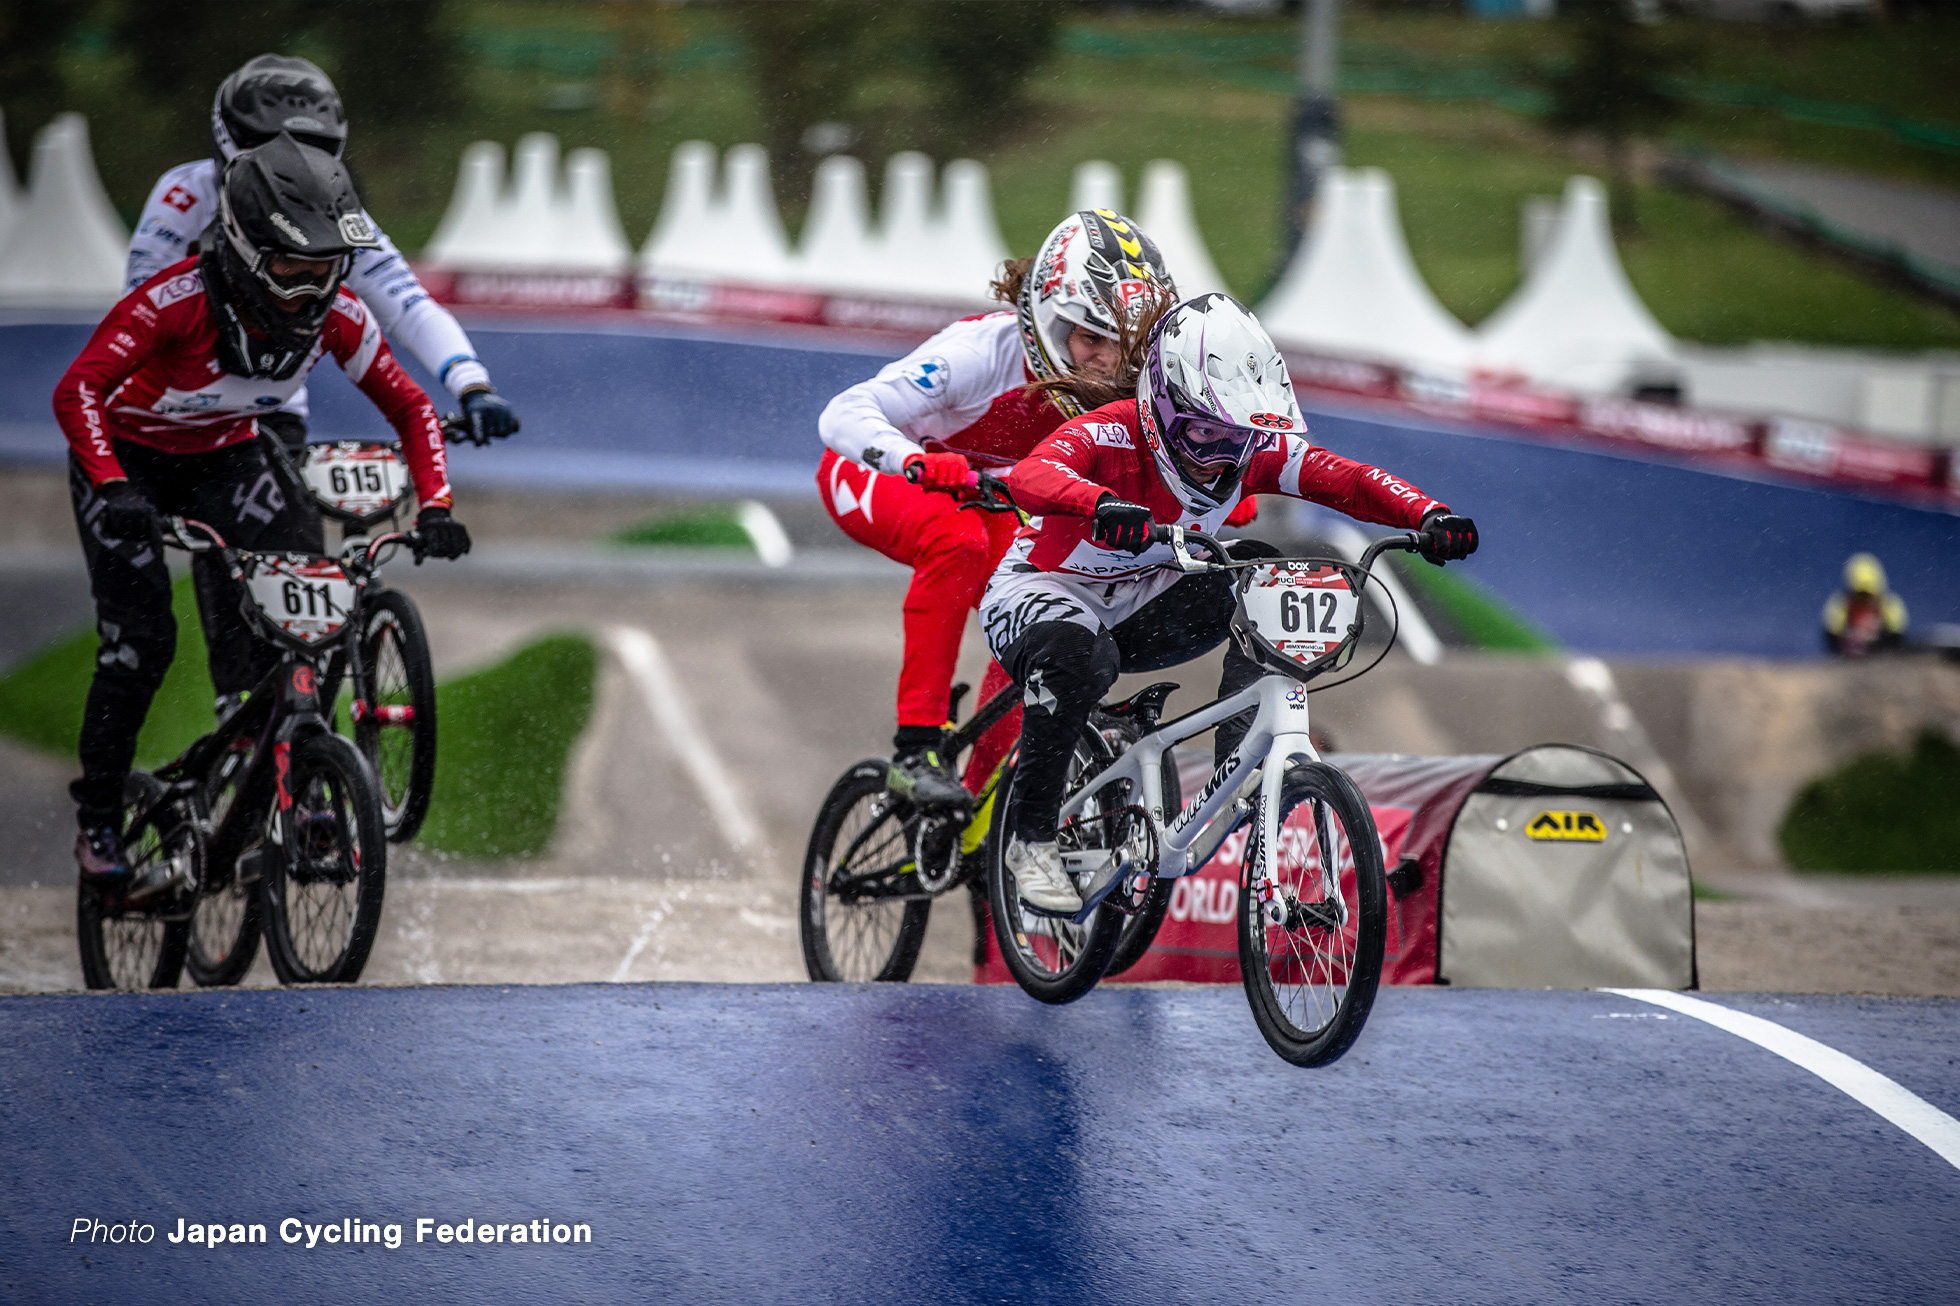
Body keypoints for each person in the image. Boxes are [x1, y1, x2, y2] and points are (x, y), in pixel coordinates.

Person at [54, 133, 473, 883]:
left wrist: (436, 505)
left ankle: (287, 776)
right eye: (294, 268)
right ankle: (99, 821)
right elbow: (77, 389)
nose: (315, 289)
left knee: (304, 597)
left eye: (329, 269)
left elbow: (410, 405)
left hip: (228, 455)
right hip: (128, 463)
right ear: (246, 251)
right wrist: (113, 486)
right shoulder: (172, 303)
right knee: (140, 643)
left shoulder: (338, 314)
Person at [979, 294, 1479, 914]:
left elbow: (1345, 479)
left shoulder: (1249, 452)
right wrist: (1096, 504)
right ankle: (1029, 842)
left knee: (1266, 565)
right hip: (1041, 589)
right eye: (1202, 434)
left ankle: (1238, 762)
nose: (1219, 455)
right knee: (1077, 654)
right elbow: (1032, 475)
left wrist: (1428, 513)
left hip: (1147, 596)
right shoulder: (1111, 430)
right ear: (1161, 409)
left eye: (1236, 439)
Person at [817, 208, 1186, 814]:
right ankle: (918, 749)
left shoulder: (1135, 387)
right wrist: (915, 462)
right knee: (956, 541)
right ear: (1045, 319)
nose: (1104, 362)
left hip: (978, 493)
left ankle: (995, 799)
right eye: (1090, 338)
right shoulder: (980, 353)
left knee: (1045, 607)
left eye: (1124, 346)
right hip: (872, 472)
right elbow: (845, 413)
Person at [126, 55, 518, 450]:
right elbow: (136, 310)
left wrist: (472, 385)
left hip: (271, 407)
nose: (290, 161)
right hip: (169, 409)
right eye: (269, 146)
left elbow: (405, 301)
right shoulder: (185, 193)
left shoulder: (335, 208)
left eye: (311, 148)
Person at [1823, 552, 1907, 658]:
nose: (1864, 599)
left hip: (1881, 661)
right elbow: (1831, 638)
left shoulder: (1888, 605)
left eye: (1868, 594)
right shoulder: (1841, 605)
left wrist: (1877, 644)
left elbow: (1897, 638)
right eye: (1860, 594)